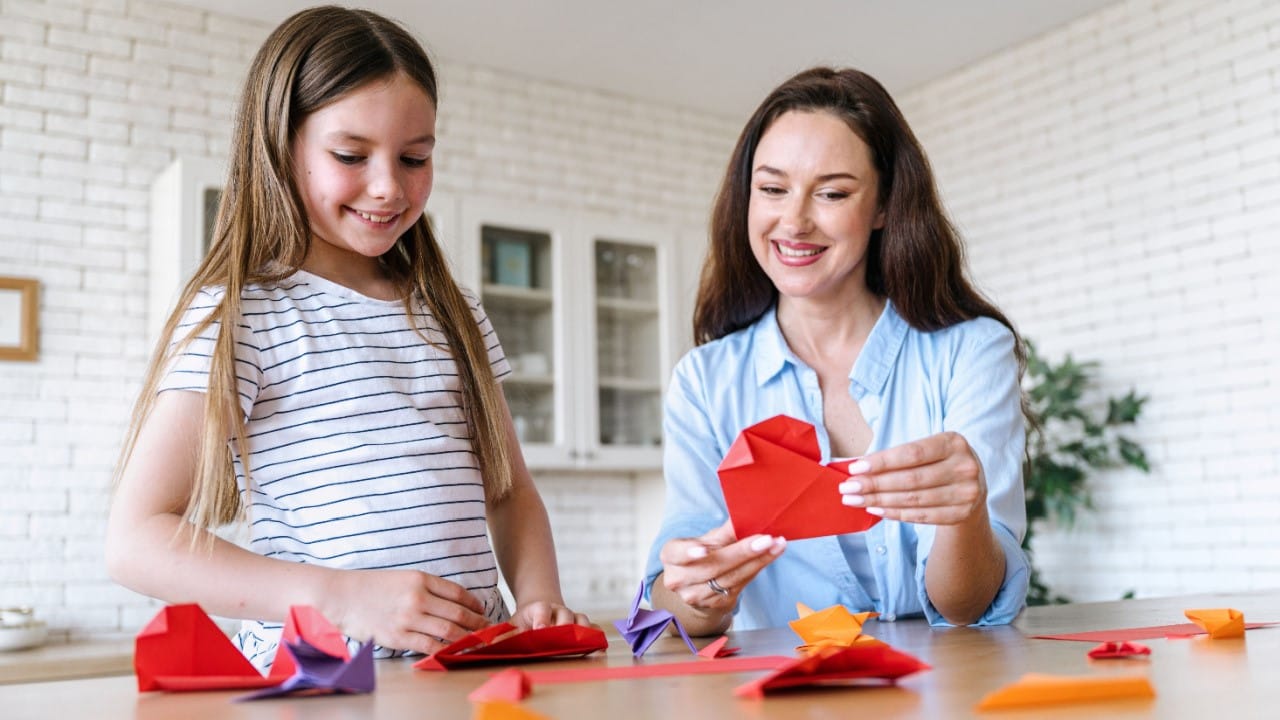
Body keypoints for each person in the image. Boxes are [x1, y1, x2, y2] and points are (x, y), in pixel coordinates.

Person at [105, 5, 587, 669]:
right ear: (281, 147)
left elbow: (509, 491)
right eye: (350, 155)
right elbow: (135, 541)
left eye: (415, 157)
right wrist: (339, 596)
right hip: (322, 681)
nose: (390, 187)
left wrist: (538, 597)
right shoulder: (243, 317)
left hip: (468, 669)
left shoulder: (454, 313)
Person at [645, 67, 1029, 636]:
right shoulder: (705, 380)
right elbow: (670, 600)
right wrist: (699, 593)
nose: (794, 221)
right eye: (772, 189)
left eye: (831, 193)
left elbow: (965, 607)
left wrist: (964, 516)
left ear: (882, 207)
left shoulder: (971, 352)